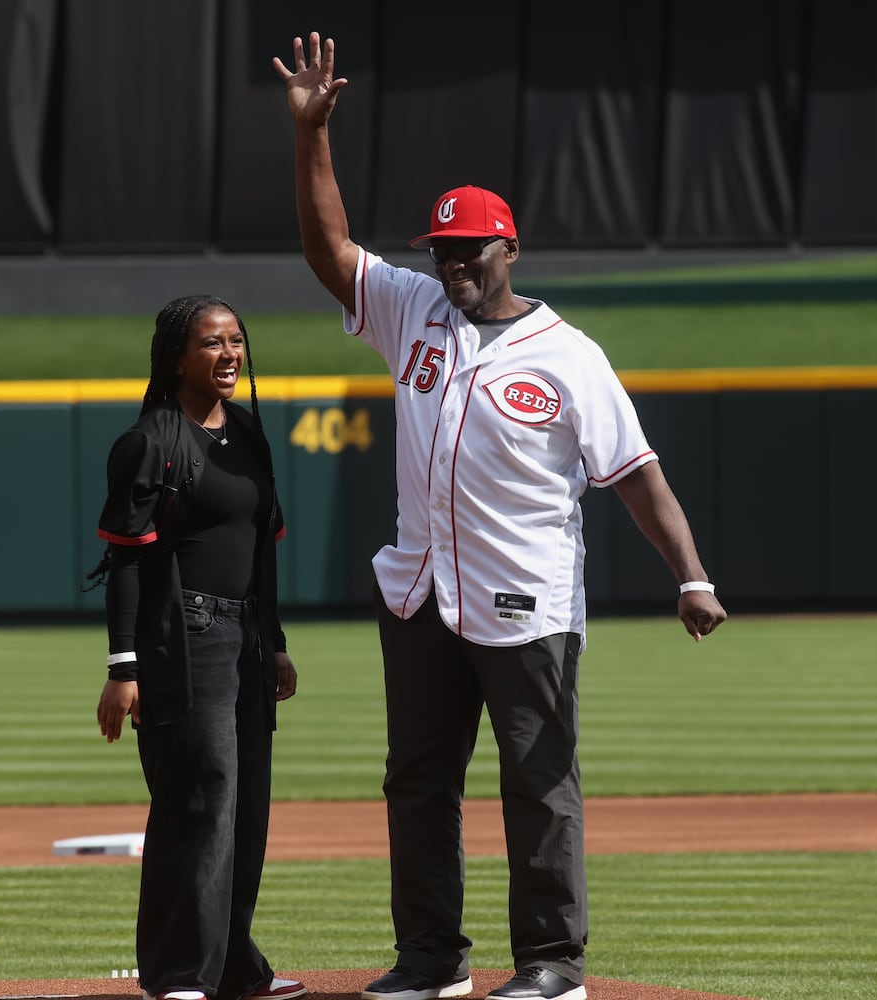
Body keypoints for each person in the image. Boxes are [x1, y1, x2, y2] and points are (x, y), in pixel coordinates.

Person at [274, 33, 728, 1000]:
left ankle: (551, 963)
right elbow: (329, 250)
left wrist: (689, 575)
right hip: (421, 592)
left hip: (526, 602)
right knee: (417, 785)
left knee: (536, 785)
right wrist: (312, 137)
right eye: (439, 250)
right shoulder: (413, 315)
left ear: (509, 247)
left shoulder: (570, 354)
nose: (452, 265)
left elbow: (636, 475)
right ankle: (432, 959)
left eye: (469, 249)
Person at [87, 294, 306, 1000]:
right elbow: (124, 560)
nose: (229, 354)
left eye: (237, 341)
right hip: (182, 634)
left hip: (243, 637)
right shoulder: (152, 439)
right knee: (199, 800)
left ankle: (233, 964)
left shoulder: (247, 433)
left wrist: (272, 643)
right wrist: (124, 667)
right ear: (177, 357)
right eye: (212, 343)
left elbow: (261, 554)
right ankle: (182, 973)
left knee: (245, 808)